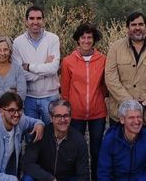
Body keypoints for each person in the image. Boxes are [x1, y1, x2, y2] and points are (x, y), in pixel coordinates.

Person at [104, 12, 146, 156]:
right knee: (120, 156)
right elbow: (110, 77)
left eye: (140, 24)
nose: (137, 28)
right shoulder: (115, 48)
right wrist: (129, 103)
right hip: (120, 114)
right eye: (133, 25)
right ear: (127, 27)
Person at [60, 22, 107, 181]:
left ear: (94, 40)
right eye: (83, 37)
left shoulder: (103, 60)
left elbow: (105, 87)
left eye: (89, 37)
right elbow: (65, 90)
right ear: (78, 40)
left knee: (97, 149)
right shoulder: (68, 61)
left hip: (98, 113)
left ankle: (97, 177)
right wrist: (66, 112)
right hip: (76, 113)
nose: (86, 40)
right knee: (76, 148)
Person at [12, 5, 61, 125]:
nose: (35, 22)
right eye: (31, 18)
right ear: (26, 21)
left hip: (50, 97)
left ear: (43, 20)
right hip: (28, 98)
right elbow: (20, 75)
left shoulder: (53, 39)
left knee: (51, 134)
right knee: (31, 135)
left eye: (39, 18)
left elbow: (53, 68)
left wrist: (29, 67)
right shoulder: (18, 42)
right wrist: (45, 67)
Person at [22, 99, 90, 181]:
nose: (62, 120)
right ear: (51, 118)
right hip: (44, 178)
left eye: (66, 115)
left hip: (66, 178)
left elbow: (83, 175)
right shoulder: (41, 134)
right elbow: (27, 163)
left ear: (70, 117)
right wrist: (49, 178)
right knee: (27, 179)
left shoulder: (79, 140)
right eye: (58, 116)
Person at [96, 100, 146, 181]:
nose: (136, 121)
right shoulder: (110, 140)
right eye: (131, 117)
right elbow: (104, 173)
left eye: (139, 117)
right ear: (122, 120)